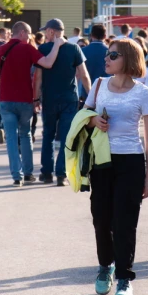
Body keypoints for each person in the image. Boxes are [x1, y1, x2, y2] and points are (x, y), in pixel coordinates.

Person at [84, 38, 148, 295]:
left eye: (113, 55)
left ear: (128, 58)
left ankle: (125, 278)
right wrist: (93, 120)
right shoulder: (99, 84)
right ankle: (106, 266)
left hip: (131, 162)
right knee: (101, 219)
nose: (107, 59)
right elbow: (83, 116)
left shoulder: (143, 93)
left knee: (125, 222)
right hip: (101, 161)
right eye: (107, 55)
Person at [0, 21, 65, 186]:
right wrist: (57, 45)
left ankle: (16, 176)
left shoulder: (1, 49)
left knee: (10, 137)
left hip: (6, 100)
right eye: (29, 33)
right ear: (23, 33)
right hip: (24, 99)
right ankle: (28, 173)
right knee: (25, 135)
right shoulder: (28, 49)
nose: (30, 37)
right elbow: (48, 63)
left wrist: (0, 87)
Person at [33, 19, 91, 186]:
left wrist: (36, 98)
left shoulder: (43, 49)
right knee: (67, 137)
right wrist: (92, 96)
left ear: (52, 32)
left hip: (49, 98)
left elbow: (38, 78)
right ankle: (61, 174)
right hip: (69, 98)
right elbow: (84, 75)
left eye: (46, 31)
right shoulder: (74, 49)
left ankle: (46, 172)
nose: (44, 34)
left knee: (48, 135)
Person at [80, 24, 109, 102]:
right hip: (106, 90)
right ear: (105, 36)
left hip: (86, 91)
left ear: (91, 35)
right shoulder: (110, 51)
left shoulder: (83, 51)